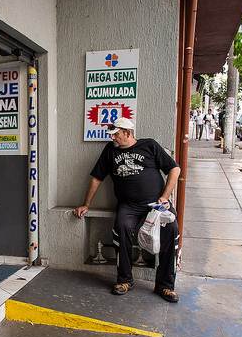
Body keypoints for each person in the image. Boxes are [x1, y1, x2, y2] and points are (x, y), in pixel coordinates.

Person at [73, 118, 181, 302]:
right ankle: (124, 280)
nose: (113, 138)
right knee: (121, 228)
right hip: (128, 206)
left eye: (116, 134)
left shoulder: (150, 145)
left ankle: (165, 285)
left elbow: (174, 169)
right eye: (112, 135)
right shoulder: (110, 151)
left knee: (171, 231)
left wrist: (165, 196)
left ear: (128, 133)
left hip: (155, 205)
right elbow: (96, 178)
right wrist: (86, 204)